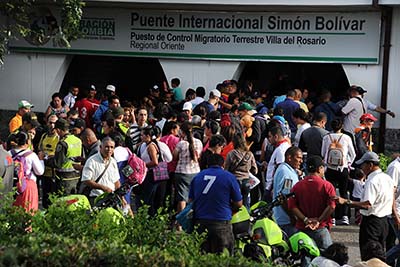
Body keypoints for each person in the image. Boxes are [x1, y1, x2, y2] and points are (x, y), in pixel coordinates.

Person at [335, 152, 395, 261]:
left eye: (363, 165)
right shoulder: (387, 178)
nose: (362, 168)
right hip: (384, 221)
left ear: (370, 165)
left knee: (368, 255)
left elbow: (367, 204)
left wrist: (346, 202)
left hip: (371, 222)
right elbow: (392, 198)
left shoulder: (372, 181)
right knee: (379, 254)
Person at [189, 153, 242, 255]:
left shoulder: (197, 177)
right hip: (221, 222)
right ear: (223, 165)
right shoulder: (229, 177)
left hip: (200, 222)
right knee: (223, 257)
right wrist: (231, 210)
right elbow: (239, 203)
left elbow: (191, 201)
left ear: (207, 164)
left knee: (202, 258)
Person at [288, 156, 336, 252]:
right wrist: (319, 220)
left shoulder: (297, 186)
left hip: (302, 228)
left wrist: (305, 220)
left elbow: (292, 206)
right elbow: (331, 206)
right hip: (321, 228)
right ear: (319, 169)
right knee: (328, 257)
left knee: (305, 256)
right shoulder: (327, 185)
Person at [321, 119, 356, 225]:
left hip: (330, 168)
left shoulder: (327, 137)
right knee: (344, 192)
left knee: (331, 193)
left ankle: (332, 217)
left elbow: (322, 153)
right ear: (341, 127)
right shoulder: (346, 138)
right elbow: (353, 153)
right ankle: (345, 216)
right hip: (343, 168)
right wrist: (348, 163)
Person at [137, 126, 172, 215]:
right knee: (155, 197)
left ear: (148, 136)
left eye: (142, 135)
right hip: (156, 174)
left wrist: (143, 165)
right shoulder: (147, 145)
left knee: (150, 198)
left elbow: (155, 162)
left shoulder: (151, 146)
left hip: (152, 174)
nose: (141, 137)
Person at [46, 118, 82, 195]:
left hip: (64, 179)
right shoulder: (78, 140)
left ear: (58, 130)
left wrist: (45, 159)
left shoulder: (63, 143)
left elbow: (57, 163)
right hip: (76, 177)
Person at [272, 146, 303, 237]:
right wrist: (292, 217)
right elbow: (284, 198)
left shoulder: (287, 169)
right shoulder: (286, 173)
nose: (301, 161)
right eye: (298, 158)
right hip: (286, 220)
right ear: (289, 158)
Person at [173, 121, 203, 213]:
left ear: (182, 132)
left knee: (182, 198)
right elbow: (199, 156)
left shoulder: (181, 144)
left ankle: (180, 223)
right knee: (193, 197)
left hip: (182, 172)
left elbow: (174, 157)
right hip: (195, 172)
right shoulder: (199, 142)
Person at [11, 132, 44, 213]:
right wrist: (41, 160)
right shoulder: (31, 155)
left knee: (13, 211)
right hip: (28, 185)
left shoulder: (9, 154)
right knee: (28, 211)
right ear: (27, 142)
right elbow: (40, 172)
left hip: (12, 184)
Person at [80, 137, 120, 204]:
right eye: (107, 147)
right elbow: (86, 180)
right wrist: (103, 188)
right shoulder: (92, 161)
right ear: (101, 147)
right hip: (96, 198)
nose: (109, 149)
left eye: (112, 147)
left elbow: (116, 181)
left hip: (111, 198)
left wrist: (121, 197)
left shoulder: (113, 161)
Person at [225, 133, 257, 209]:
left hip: (235, 181)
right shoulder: (249, 154)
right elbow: (255, 170)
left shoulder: (231, 154)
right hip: (247, 181)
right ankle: (247, 217)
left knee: (234, 203)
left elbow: (226, 170)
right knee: (246, 202)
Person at [37, 114, 59, 208]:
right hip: (44, 172)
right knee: (45, 200)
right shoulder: (44, 136)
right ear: (47, 123)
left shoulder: (59, 138)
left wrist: (47, 156)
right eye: (50, 122)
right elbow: (39, 150)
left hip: (54, 174)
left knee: (53, 201)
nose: (52, 125)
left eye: (55, 123)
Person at [265, 126, 291, 201]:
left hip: (272, 186)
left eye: (270, 137)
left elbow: (280, 168)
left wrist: (273, 187)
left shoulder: (281, 150)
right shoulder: (283, 146)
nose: (269, 139)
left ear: (275, 137)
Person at [385, 155, 400, 267]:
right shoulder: (395, 167)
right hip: (397, 212)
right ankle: (379, 262)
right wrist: (395, 214)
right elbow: (390, 192)